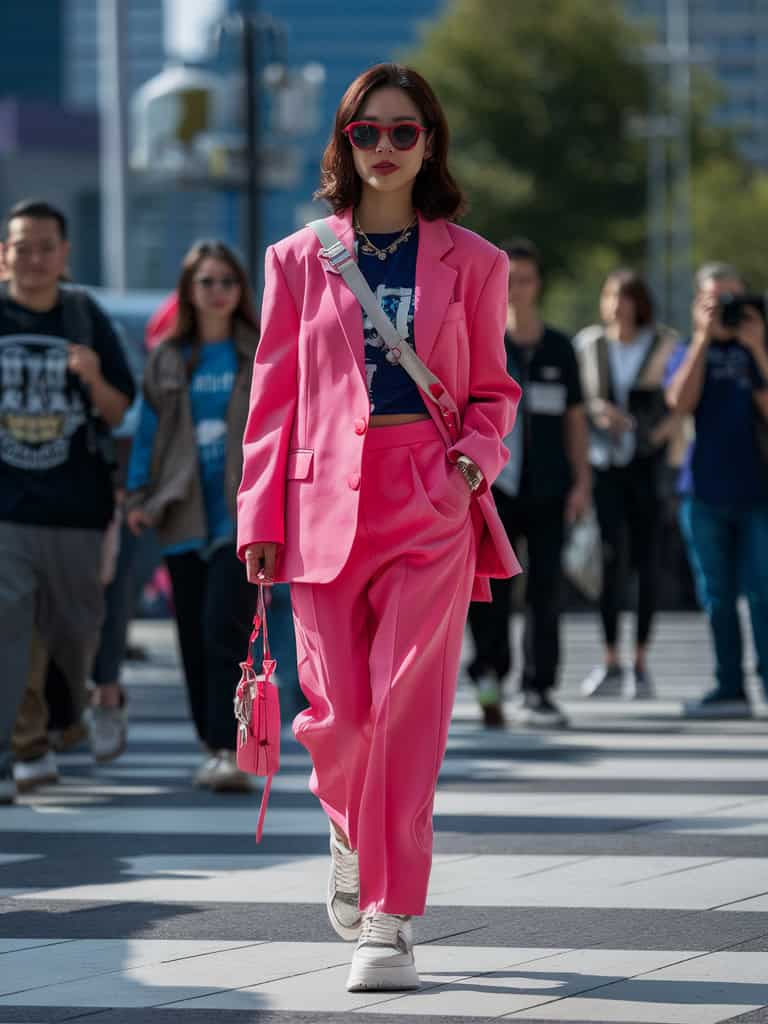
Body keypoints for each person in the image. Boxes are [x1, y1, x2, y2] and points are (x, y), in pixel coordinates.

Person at [237, 63, 520, 993]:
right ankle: (353, 829)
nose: (388, 148)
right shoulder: (296, 258)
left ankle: (390, 920)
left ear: (429, 142)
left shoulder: (474, 261)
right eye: (369, 133)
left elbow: (493, 392)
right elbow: (273, 399)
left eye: (405, 132)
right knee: (342, 715)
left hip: (429, 499)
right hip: (319, 503)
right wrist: (258, 516)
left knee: (404, 709)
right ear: (344, 144)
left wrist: (470, 465)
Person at [0, 198, 135, 803]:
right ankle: (20, 747)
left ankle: (64, 717)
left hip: (76, 510)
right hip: (7, 510)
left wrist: (92, 376)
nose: (32, 257)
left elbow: (118, 409)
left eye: (44, 246)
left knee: (73, 634)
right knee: (12, 627)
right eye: (20, 245)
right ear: (5, 252)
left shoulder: (83, 316)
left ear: (64, 255)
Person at [125, 240, 266, 793]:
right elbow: (147, 432)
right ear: (189, 290)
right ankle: (212, 745)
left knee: (223, 628)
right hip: (181, 512)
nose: (216, 292)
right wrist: (137, 495)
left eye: (226, 282)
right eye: (205, 282)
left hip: (242, 514)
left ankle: (232, 747)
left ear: (240, 290)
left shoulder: (258, 351)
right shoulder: (168, 355)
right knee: (191, 636)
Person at [466, 239, 590, 729]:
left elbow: (575, 420)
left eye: (526, 279)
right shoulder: (485, 341)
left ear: (539, 284)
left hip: (549, 486)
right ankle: (489, 673)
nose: (517, 288)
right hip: (492, 489)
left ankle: (539, 688)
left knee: (545, 591)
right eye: (509, 279)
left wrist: (581, 480)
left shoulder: (561, 348)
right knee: (489, 590)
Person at [665, 262, 768, 717]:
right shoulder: (689, 349)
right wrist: (705, 338)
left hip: (758, 492)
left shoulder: (758, 350)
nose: (726, 309)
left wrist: (757, 347)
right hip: (703, 491)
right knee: (717, 593)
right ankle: (730, 686)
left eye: (733, 299)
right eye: (715, 300)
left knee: (763, 592)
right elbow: (679, 403)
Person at [575, 269, 680, 699]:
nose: (617, 305)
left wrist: (652, 429)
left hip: (648, 464)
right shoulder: (589, 344)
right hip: (605, 463)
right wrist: (599, 413)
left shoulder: (665, 344)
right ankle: (610, 659)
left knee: (647, 559)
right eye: (610, 296)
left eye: (625, 297)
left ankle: (640, 661)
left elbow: (680, 401)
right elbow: (577, 401)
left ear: (640, 302)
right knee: (611, 557)